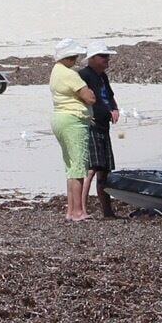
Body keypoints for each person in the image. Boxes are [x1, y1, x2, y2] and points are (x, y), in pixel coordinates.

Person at [48, 42, 98, 220]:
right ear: (69, 57)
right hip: (73, 120)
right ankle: (77, 211)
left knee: (70, 166)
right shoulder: (70, 74)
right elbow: (89, 97)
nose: (76, 60)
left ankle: (71, 210)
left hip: (60, 118)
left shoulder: (56, 71)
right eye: (74, 57)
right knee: (78, 166)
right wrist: (89, 93)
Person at [79, 43, 121, 219]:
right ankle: (81, 209)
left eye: (107, 56)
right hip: (91, 126)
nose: (107, 59)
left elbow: (109, 96)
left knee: (104, 169)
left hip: (104, 126)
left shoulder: (102, 76)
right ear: (93, 58)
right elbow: (80, 97)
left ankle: (107, 211)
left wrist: (114, 109)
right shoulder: (83, 75)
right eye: (103, 56)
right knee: (91, 168)